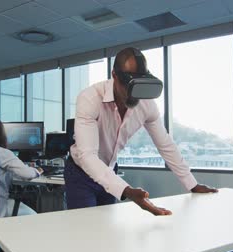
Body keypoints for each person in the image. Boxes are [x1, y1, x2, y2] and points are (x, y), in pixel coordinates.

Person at [65, 47, 218, 216]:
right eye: (128, 85)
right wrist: (127, 191)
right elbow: (88, 156)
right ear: (114, 76)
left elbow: (165, 144)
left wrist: (192, 184)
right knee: (84, 228)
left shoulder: (146, 104)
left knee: (105, 228)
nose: (133, 96)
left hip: (109, 170)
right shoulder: (90, 98)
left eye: (138, 85)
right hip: (81, 173)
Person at [0, 119, 43, 218]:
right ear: (1, 134)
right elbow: (27, 174)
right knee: (34, 216)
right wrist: (37, 171)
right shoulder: (1, 152)